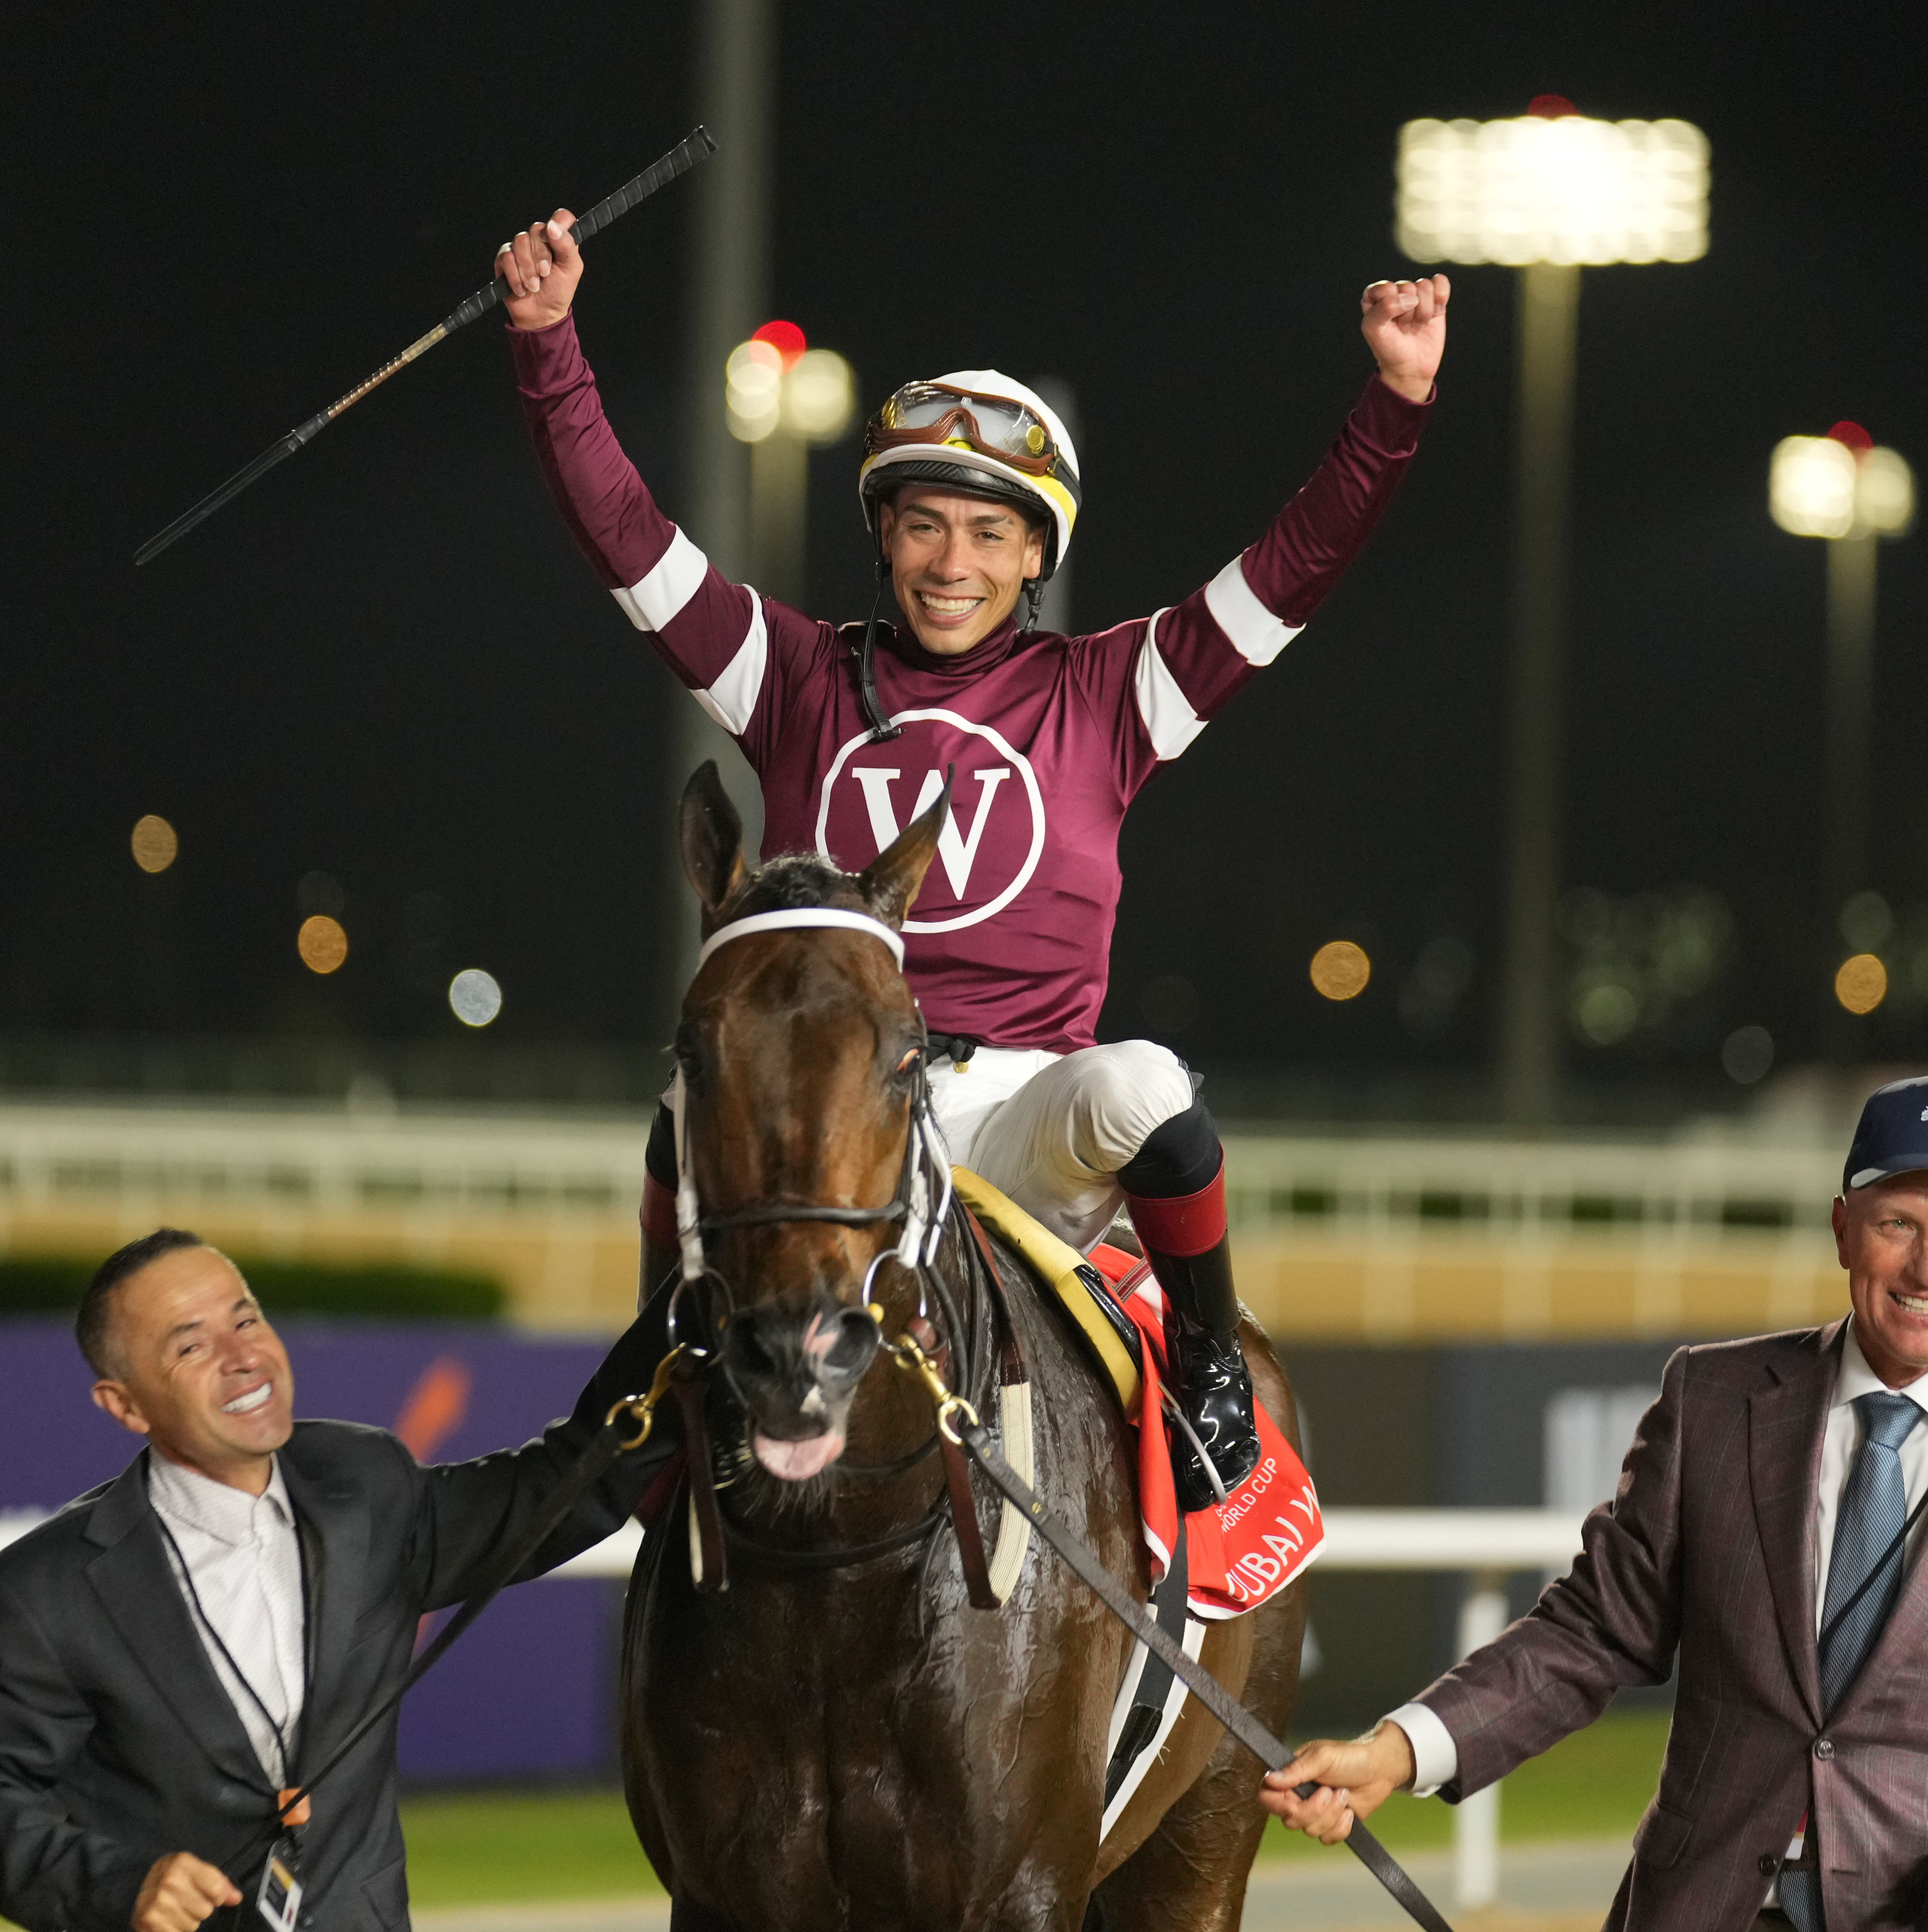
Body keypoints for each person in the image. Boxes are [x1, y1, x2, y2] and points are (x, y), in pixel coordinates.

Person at [492, 208, 1447, 1505]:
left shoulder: (1113, 694)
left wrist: (1394, 403)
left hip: (1018, 1124)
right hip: (840, 1112)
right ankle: (666, 1353)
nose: (954, 563)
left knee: (1149, 1088)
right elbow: (628, 543)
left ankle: (1210, 1367)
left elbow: (1291, 574)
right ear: (883, 534)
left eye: (991, 534)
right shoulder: (796, 679)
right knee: (683, 1104)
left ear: (1038, 554)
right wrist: (548, 344)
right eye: (926, 525)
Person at [1262, 1076, 1928, 1932]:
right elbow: (1593, 1632)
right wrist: (1398, 1751)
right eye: (1898, 1224)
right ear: (1843, 1228)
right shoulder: (1712, 1402)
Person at [0, 1231, 674, 1932]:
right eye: (192, 1346)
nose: (242, 1356)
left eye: (246, 1322)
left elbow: (560, 1482)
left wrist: (691, 1309)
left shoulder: (367, 1484)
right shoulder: (45, 1590)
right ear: (124, 1404)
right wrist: (122, 1886)